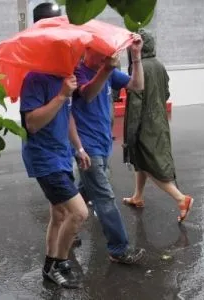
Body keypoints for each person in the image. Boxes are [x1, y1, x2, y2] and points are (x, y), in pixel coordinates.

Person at [71, 34, 146, 264]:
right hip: (87, 146)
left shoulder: (109, 71)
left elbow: (137, 85)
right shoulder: (77, 72)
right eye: (101, 51)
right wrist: (106, 69)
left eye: (107, 52)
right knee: (104, 196)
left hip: (103, 143)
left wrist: (136, 56)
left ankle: (67, 228)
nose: (105, 55)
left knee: (83, 191)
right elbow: (88, 94)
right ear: (87, 50)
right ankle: (118, 248)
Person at [20, 72, 90, 288]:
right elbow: (31, 124)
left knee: (59, 214)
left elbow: (67, 116)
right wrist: (61, 95)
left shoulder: (66, 76)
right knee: (79, 212)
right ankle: (58, 265)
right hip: (44, 158)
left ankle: (50, 265)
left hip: (62, 156)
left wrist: (78, 148)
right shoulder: (34, 79)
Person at [123, 29, 193, 222]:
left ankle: (181, 199)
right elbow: (166, 93)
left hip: (144, 123)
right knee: (141, 159)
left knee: (149, 164)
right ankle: (138, 196)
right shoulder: (159, 65)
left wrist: (131, 133)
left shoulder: (138, 67)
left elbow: (136, 103)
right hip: (159, 119)